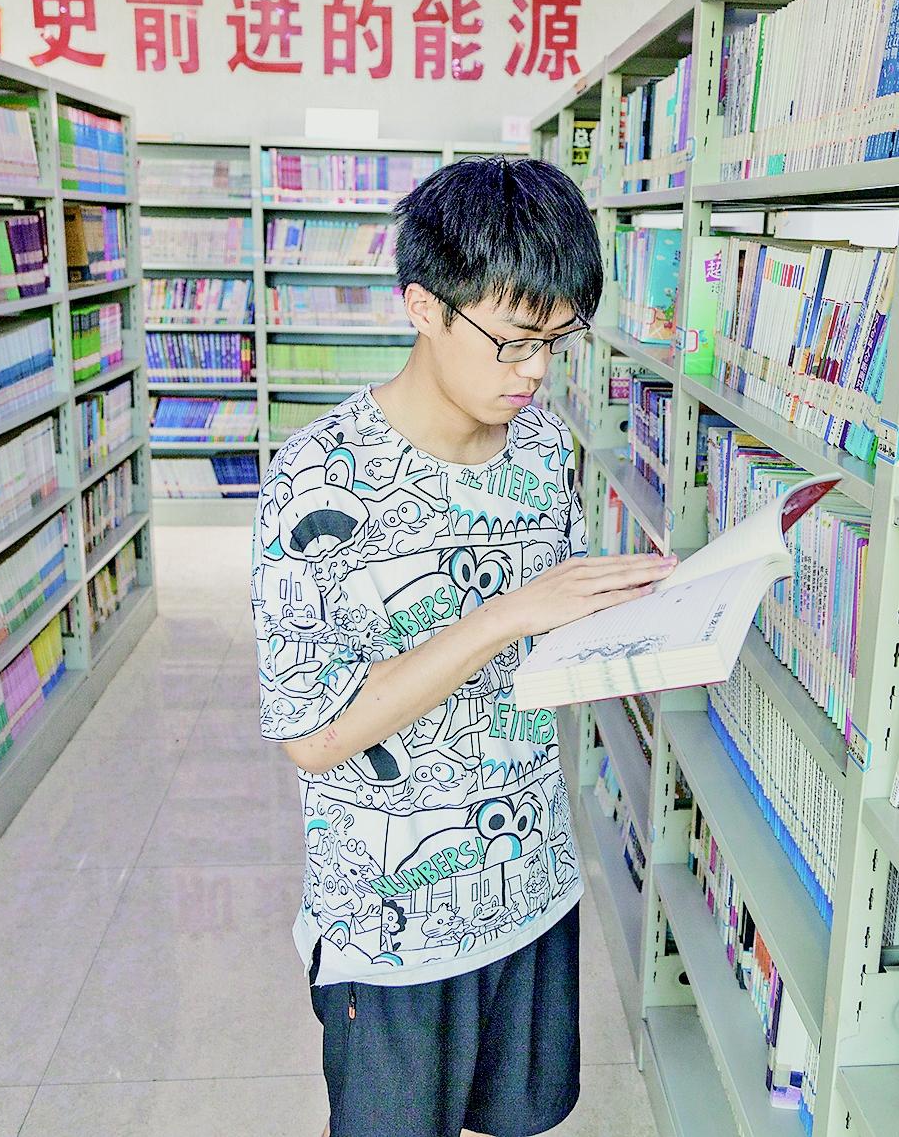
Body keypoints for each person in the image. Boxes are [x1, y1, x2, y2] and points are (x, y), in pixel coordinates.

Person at [250, 156, 674, 1137]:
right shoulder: (316, 479)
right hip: (392, 927)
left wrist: (659, 611)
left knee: (521, 1119)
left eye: (555, 342)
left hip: (531, 886)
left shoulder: (543, 450)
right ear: (423, 307)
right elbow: (313, 735)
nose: (534, 371)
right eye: (514, 340)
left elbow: (552, 635)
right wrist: (501, 615)